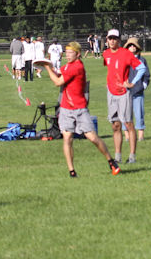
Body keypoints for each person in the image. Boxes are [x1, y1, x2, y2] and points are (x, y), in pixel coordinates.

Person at [38, 42, 119, 177]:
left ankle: (111, 161)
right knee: (67, 138)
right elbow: (59, 73)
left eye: (71, 53)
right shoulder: (68, 66)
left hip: (79, 108)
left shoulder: (77, 67)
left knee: (92, 137)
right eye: (67, 52)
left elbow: (57, 82)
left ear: (78, 54)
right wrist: (50, 66)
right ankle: (72, 171)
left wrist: (46, 67)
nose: (68, 55)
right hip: (66, 108)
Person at [102, 29, 147, 164]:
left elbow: (141, 68)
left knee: (128, 124)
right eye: (110, 38)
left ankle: (132, 156)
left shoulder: (125, 53)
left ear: (119, 40)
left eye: (114, 38)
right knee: (115, 125)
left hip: (123, 93)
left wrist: (132, 82)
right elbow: (110, 69)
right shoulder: (106, 53)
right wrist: (109, 83)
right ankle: (118, 157)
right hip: (111, 93)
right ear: (107, 39)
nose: (112, 41)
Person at [124, 38, 150, 142]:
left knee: (139, 113)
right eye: (130, 45)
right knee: (126, 114)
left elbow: (146, 75)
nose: (132, 47)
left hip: (138, 91)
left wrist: (143, 86)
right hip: (125, 91)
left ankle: (140, 136)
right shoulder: (124, 59)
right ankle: (127, 136)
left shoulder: (142, 60)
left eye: (134, 45)